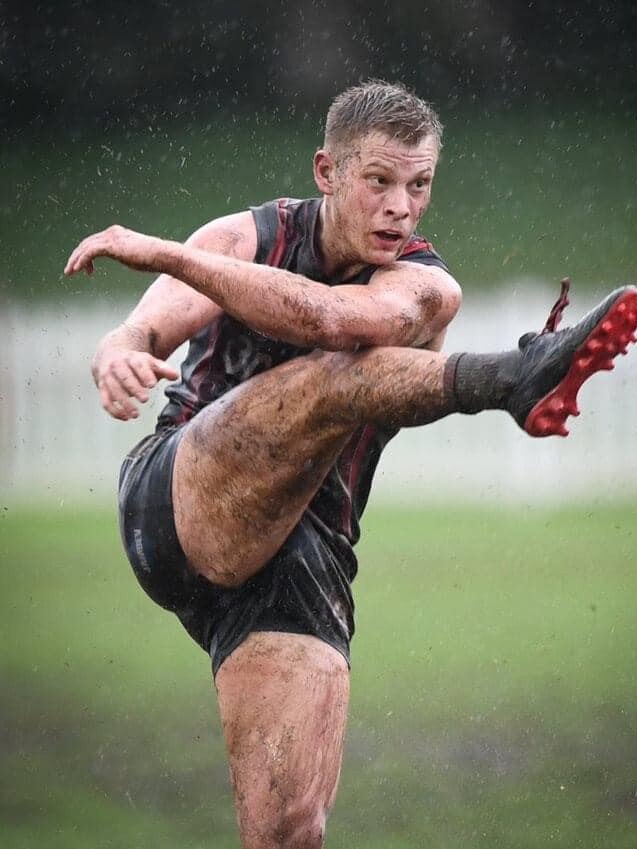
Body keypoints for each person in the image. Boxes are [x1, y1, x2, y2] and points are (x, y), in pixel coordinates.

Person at [64, 81, 637, 849]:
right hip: (178, 503)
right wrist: (117, 353)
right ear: (326, 171)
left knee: (290, 831)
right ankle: (513, 377)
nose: (400, 206)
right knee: (343, 373)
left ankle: (516, 377)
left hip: (303, 560)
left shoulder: (427, 287)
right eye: (379, 181)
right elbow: (140, 334)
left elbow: (337, 318)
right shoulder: (243, 238)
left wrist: (159, 249)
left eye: (419, 184)